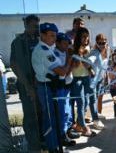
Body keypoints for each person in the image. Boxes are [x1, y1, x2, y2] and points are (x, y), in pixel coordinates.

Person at [31, 22, 71, 152]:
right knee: (49, 119)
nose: (54, 39)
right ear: (42, 35)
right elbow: (62, 71)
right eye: (51, 36)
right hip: (46, 87)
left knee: (56, 118)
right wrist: (70, 60)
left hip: (52, 87)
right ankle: (52, 147)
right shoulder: (43, 51)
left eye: (55, 36)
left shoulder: (48, 49)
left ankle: (55, 144)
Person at [10, 15, 42, 152]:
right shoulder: (18, 42)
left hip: (40, 83)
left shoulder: (39, 41)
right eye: (34, 26)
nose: (36, 29)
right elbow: (14, 65)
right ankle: (33, 145)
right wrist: (28, 86)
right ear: (26, 26)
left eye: (37, 26)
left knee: (41, 114)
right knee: (30, 116)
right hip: (26, 84)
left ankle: (41, 140)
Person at [70, 27, 97, 135]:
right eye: (84, 37)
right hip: (76, 78)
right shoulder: (72, 48)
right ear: (78, 38)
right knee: (80, 102)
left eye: (87, 36)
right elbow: (74, 65)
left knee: (86, 102)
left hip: (86, 77)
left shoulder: (88, 48)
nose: (86, 39)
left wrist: (90, 69)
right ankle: (84, 127)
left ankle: (79, 124)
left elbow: (88, 65)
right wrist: (80, 55)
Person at [54, 33, 77, 146]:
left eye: (68, 43)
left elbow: (72, 68)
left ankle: (68, 131)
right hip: (60, 86)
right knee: (62, 111)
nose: (66, 45)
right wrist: (70, 59)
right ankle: (62, 136)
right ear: (57, 43)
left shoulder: (65, 53)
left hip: (68, 84)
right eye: (64, 43)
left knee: (68, 110)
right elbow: (65, 71)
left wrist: (72, 59)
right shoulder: (56, 54)